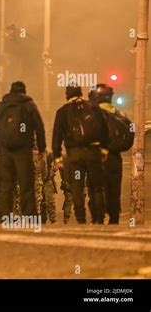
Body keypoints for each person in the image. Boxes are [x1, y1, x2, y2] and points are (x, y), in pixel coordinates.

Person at [0, 81, 46, 219]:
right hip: (24, 150)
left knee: (6, 185)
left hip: (5, 150)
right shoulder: (29, 105)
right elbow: (39, 127)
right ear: (24, 91)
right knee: (26, 184)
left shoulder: (1, 106)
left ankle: (6, 216)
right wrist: (42, 148)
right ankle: (29, 216)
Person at [52, 85, 110, 224]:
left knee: (77, 186)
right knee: (96, 186)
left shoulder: (62, 112)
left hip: (75, 155)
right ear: (80, 94)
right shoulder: (94, 107)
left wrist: (58, 157)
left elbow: (57, 136)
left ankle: (81, 219)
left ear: (67, 95)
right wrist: (104, 150)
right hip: (93, 152)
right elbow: (104, 129)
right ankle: (99, 218)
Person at [88, 84, 134, 224]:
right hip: (115, 158)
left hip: (97, 157)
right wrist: (115, 148)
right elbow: (130, 136)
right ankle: (114, 220)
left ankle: (98, 219)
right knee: (114, 190)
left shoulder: (91, 115)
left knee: (96, 188)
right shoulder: (122, 116)